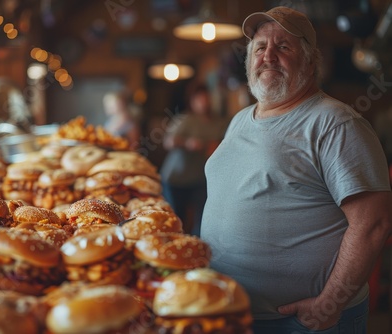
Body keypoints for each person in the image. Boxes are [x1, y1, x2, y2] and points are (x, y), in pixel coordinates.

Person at [201, 6, 392, 334]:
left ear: (310, 61)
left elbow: (374, 224)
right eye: (260, 48)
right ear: (249, 62)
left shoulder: (336, 123)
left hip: (306, 323)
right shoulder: (239, 120)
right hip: (231, 312)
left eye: (284, 47)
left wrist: (329, 304)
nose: (269, 56)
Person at [160, 84, 229, 236]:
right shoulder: (184, 119)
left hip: (201, 178)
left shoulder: (218, 122)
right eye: (199, 98)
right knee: (176, 219)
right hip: (176, 178)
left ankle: (198, 250)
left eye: (206, 97)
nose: (203, 101)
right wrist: (187, 143)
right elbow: (168, 142)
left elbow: (224, 144)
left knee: (203, 217)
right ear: (192, 101)